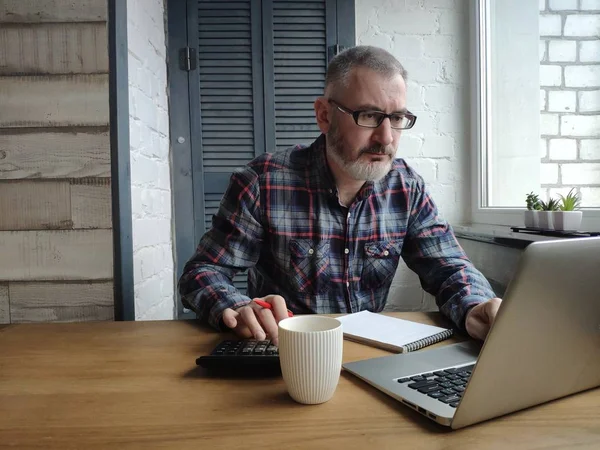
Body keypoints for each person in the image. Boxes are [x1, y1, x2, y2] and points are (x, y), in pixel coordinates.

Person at [178, 45, 502, 345]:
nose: (386, 138)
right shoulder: (263, 183)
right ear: (324, 115)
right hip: (285, 354)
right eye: (369, 116)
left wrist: (476, 307)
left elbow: (449, 267)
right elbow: (203, 273)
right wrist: (237, 308)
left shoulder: (406, 188)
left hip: (369, 357)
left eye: (398, 118)